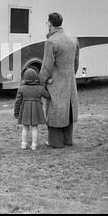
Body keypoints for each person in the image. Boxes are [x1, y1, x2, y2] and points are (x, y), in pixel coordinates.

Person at [39, 12, 79, 148]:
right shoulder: (73, 39)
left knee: (55, 110)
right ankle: (68, 139)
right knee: (68, 109)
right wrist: (70, 76)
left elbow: (47, 66)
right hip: (70, 81)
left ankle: (55, 141)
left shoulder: (51, 41)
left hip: (55, 82)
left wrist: (42, 82)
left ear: (50, 23)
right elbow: (76, 63)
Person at [14, 68, 50, 150]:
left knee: (25, 127)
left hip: (25, 110)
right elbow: (48, 96)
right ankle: (34, 145)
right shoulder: (40, 88)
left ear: (25, 78)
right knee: (34, 128)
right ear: (35, 78)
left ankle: (23, 144)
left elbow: (17, 102)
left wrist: (16, 113)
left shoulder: (21, 88)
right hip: (36, 110)